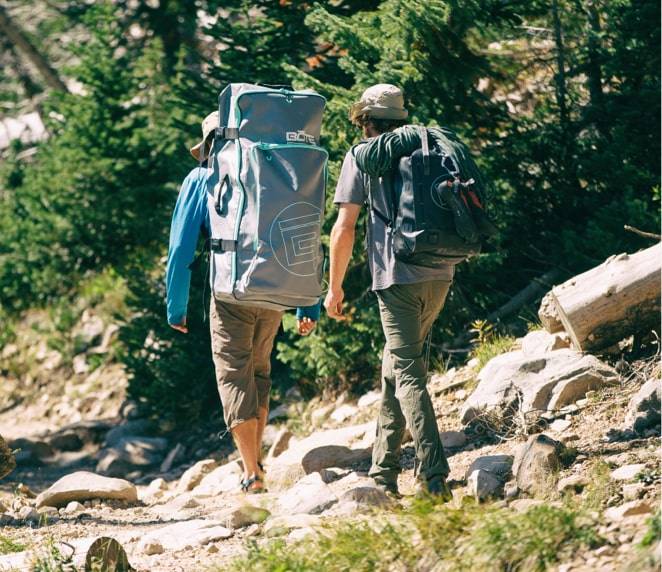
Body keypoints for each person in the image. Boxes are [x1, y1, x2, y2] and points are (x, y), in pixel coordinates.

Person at [166, 112, 319, 493]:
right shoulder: (273, 175)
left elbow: (182, 246)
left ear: (208, 146)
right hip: (274, 289)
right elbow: (301, 228)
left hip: (230, 292)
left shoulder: (202, 178)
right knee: (259, 372)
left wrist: (176, 304)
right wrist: (307, 303)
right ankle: (257, 462)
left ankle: (251, 471)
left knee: (233, 373)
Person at [324, 85, 453, 499]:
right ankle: (383, 472)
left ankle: (434, 476)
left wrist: (334, 287)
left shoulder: (362, 156)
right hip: (441, 271)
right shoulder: (429, 144)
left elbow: (343, 228)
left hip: (397, 278)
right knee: (394, 369)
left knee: (408, 375)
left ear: (365, 121)